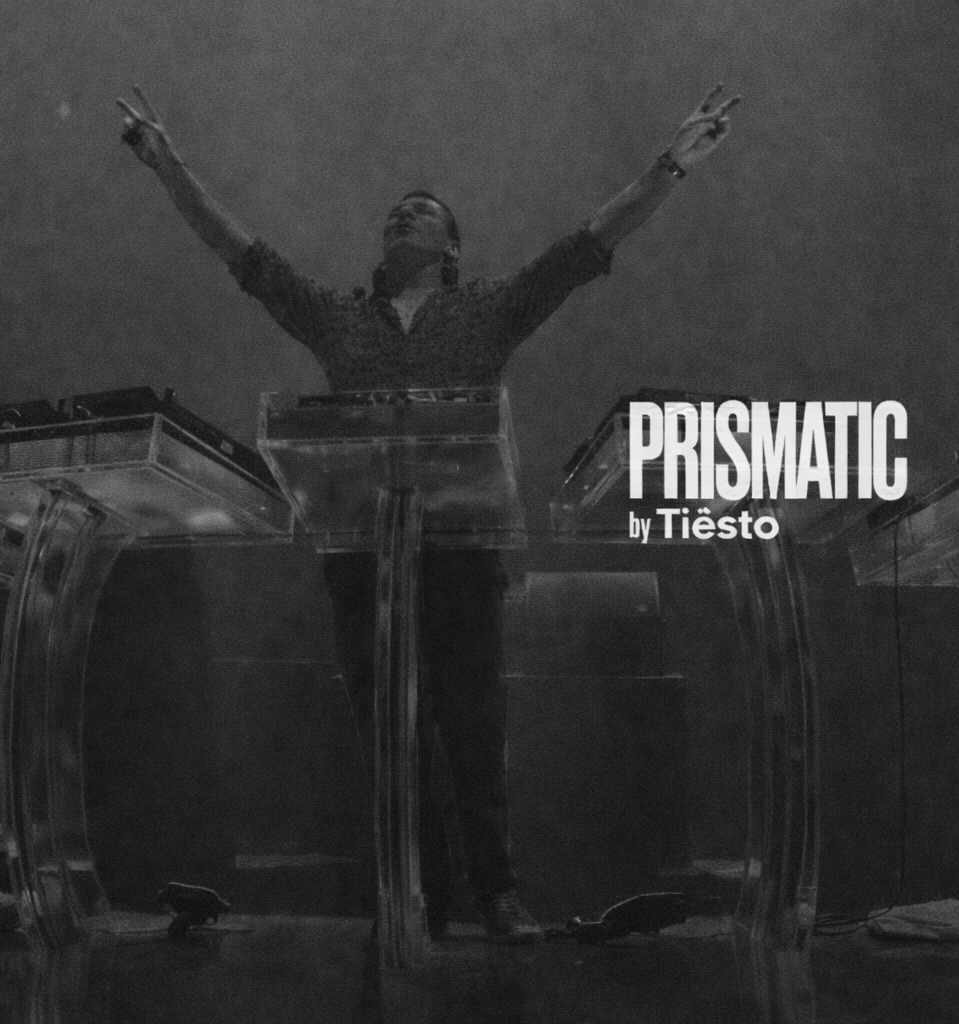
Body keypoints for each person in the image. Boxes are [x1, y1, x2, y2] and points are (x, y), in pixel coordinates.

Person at [116, 83, 739, 943]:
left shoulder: (487, 310)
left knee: (473, 725)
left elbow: (585, 248)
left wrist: (670, 165)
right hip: (362, 556)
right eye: (394, 211)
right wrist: (168, 166)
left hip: (459, 549)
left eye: (422, 210)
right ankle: (416, 896)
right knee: (388, 733)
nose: (401, 215)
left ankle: (497, 894)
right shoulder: (339, 318)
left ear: (452, 247)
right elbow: (244, 257)